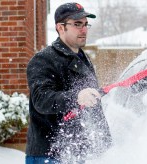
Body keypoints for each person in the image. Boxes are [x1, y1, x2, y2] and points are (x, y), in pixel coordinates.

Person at [25, 2, 112, 164]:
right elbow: (41, 99)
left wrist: (107, 144)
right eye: (77, 24)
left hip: (77, 152)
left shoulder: (84, 60)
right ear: (60, 27)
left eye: (86, 24)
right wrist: (76, 97)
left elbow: (93, 106)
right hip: (48, 154)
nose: (84, 29)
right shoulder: (44, 59)